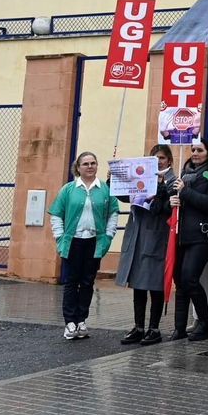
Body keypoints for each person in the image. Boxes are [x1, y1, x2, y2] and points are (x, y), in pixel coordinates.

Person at [49, 152, 121, 340]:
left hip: (94, 242)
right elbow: (56, 213)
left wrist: (109, 235)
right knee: (72, 281)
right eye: (86, 164)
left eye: (93, 163)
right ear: (78, 167)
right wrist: (59, 236)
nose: (90, 166)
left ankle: (81, 320)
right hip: (73, 241)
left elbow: (113, 213)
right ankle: (70, 322)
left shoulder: (105, 189)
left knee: (88, 282)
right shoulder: (68, 189)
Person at [115, 144, 176, 345]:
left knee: (154, 284)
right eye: (155, 158)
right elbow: (122, 193)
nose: (159, 161)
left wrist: (161, 191)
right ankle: (139, 326)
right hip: (138, 235)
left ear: (169, 161)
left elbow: (168, 208)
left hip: (157, 236)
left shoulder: (171, 181)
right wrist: (113, 178)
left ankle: (154, 328)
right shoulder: (138, 178)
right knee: (138, 284)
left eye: (163, 158)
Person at [169, 140, 208, 341]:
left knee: (190, 278)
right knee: (180, 281)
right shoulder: (184, 173)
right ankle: (179, 327)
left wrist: (185, 192)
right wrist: (171, 199)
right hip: (182, 234)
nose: (195, 153)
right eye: (193, 150)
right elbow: (172, 198)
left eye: (200, 150)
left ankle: (205, 324)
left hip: (202, 234)